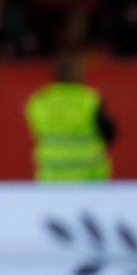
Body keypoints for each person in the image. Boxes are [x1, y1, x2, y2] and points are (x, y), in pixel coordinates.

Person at [25, 51, 116, 181]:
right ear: (76, 72)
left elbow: (36, 133)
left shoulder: (38, 101)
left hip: (51, 175)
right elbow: (110, 134)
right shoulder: (90, 99)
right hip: (89, 175)